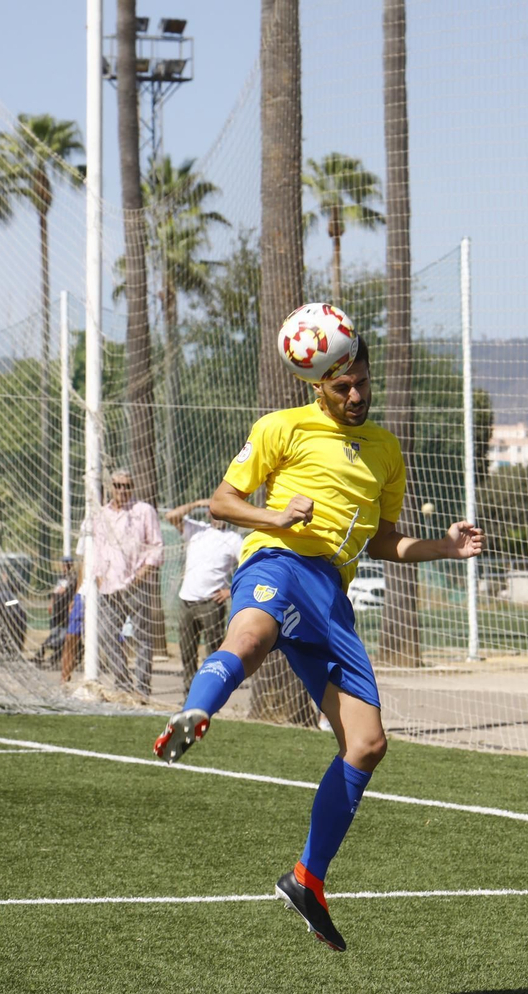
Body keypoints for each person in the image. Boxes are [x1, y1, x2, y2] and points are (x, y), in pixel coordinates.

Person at [152, 330, 485, 952]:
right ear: (317, 385)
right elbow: (225, 501)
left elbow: (383, 541)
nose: (357, 394)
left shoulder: (386, 449)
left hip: (332, 593)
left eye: (363, 382)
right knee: (248, 637)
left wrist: (444, 547)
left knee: (367, 743)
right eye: (343, 386)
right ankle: (197, 708)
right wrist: (271, 516)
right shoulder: (282, 427)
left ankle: (307, 877)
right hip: (279, 560)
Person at [77, 471, 162, 697]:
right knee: (105, 634)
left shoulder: (143, 511)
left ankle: (142, 688)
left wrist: (141, 575)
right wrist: (98, 575)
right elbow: (95, 549)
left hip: (136, 584)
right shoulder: (99, 515)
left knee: (143, 638)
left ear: (132, 488)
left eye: (127, 486)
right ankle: (123, 683)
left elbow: (156, 546)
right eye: (118, 486)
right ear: (110, 487)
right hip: (108, 588)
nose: (122, 490)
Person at [166, 498, 245, 697]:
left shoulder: (234, 540)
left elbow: (248, 568)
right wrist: (198, 503)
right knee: (187, 654)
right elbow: (171, 516)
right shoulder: (196, 530)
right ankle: (190, 697)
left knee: (214, 655)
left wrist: (230, 591)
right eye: (214, 511)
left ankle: (212, 696)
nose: (218, 515)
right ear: (209, 512)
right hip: (186, 602)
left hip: (211, 604)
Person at [33, 557, 77, 670]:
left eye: (66, 565)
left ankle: (55, 658)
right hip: (57, 611)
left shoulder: (73, 577)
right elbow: (55, 591)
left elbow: (65, 590)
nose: (64, 567)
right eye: (63, 565)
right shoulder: (61, 577)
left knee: (63, 636)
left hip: (65, 611)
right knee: (54, 634)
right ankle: (41, 654)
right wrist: (51, 603)